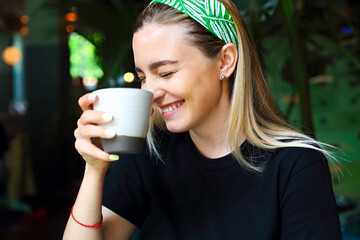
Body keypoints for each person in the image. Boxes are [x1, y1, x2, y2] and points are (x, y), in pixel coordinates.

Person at [63, 0, 342, 239]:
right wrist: (94, 169)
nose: (150, 92)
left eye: (167, 72)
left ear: (225, 61)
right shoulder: (153, 151)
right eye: (143, 77)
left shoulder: (296, 165)